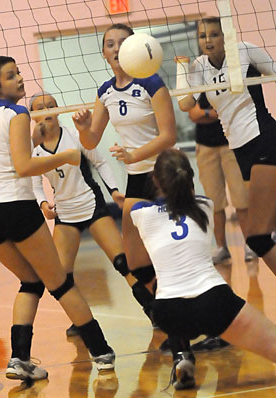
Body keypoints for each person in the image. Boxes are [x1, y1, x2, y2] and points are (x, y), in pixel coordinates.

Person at [0, 55, 115, 381]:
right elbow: (22, 167)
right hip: (14, 208)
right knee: (60, 282)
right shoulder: (18, 112)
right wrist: (66, 156)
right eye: (11, 75)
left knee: (31, 281)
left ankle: (20, 359)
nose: (20, 78)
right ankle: (102, 351)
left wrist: (37, 138)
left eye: (19, 72)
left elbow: (6, 153)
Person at [130, 148, 276, 390]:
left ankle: (183, 357)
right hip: (214, 303)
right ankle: (184, 358)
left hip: (169, 313)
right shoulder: (205, 206)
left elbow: (138, 260)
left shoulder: (141, 214)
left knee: (161, 282)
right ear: (189, 177)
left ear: (155, 181)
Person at [72, 23, 177, 329]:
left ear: (134, 47)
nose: (116, 48)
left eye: (122, 42)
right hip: (135, 176)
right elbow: (90, 142)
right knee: (135, 260)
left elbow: (169, 136)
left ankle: (186, 311)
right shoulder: (105, 92)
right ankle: (164, 306)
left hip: (163, 173)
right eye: (109, 44)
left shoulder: (152, 83)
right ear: (104, 53)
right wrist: (83, 127)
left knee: (169, 247)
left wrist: (136, 154)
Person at [29, 91, 144, 336]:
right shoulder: (33, 149)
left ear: (58, 110)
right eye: (40, 108)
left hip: (91, 205)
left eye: (51, 105)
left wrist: (113, 190)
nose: (47, 110)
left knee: (123, 262)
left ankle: (153, 310)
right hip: (65, 213)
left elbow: (100, 161)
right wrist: (42, 204)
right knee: (60, 277)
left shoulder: (74, 135)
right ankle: (81, 320)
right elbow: (35, 181)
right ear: (32, 116)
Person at [175, 16, 276, 275]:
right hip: (240, 149)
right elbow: (185, 104)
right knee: (265, 231)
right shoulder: (199, 66)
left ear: (225, 36)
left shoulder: (243, 50)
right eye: (202, 36)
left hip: (263, 137)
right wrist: (182, 69)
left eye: (214, 34)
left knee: (258, 238)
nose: (207, 41)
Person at [189, 93, 257, 265]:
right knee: (214, 201)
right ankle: (221, 248)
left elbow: (231, 109)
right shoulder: (198, 80)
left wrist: (207, 113)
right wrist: (214, 113)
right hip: (205, 146)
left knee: (241, 198)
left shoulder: (227, 76)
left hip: (232, 143)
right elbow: (193, 114)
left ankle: (250, 245)